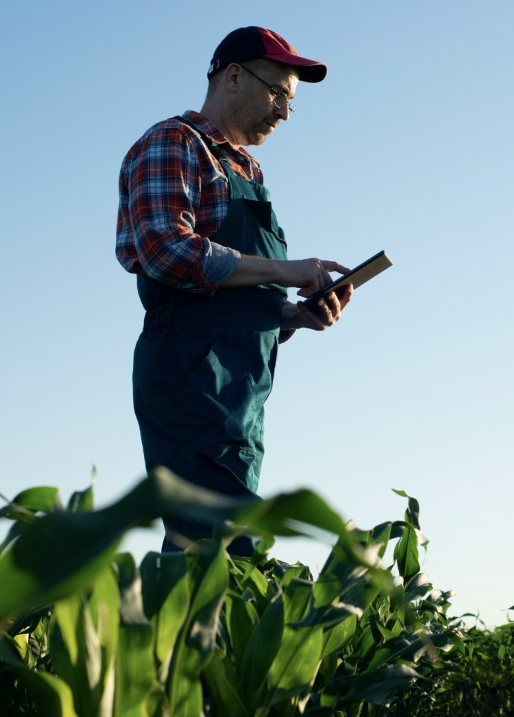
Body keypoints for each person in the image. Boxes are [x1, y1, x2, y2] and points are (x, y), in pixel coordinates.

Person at [115, 27, 353, 554]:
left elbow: (235, 296)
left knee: (224, 552)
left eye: (292, 104)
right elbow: (165, 250)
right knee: (217, 552)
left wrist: (289, 316)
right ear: (234, 76)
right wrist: (287, 270)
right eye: (278, 95)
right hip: (191, 377)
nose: (284, 114)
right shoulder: (173, 142)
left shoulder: (248, 169)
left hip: (241, 395)